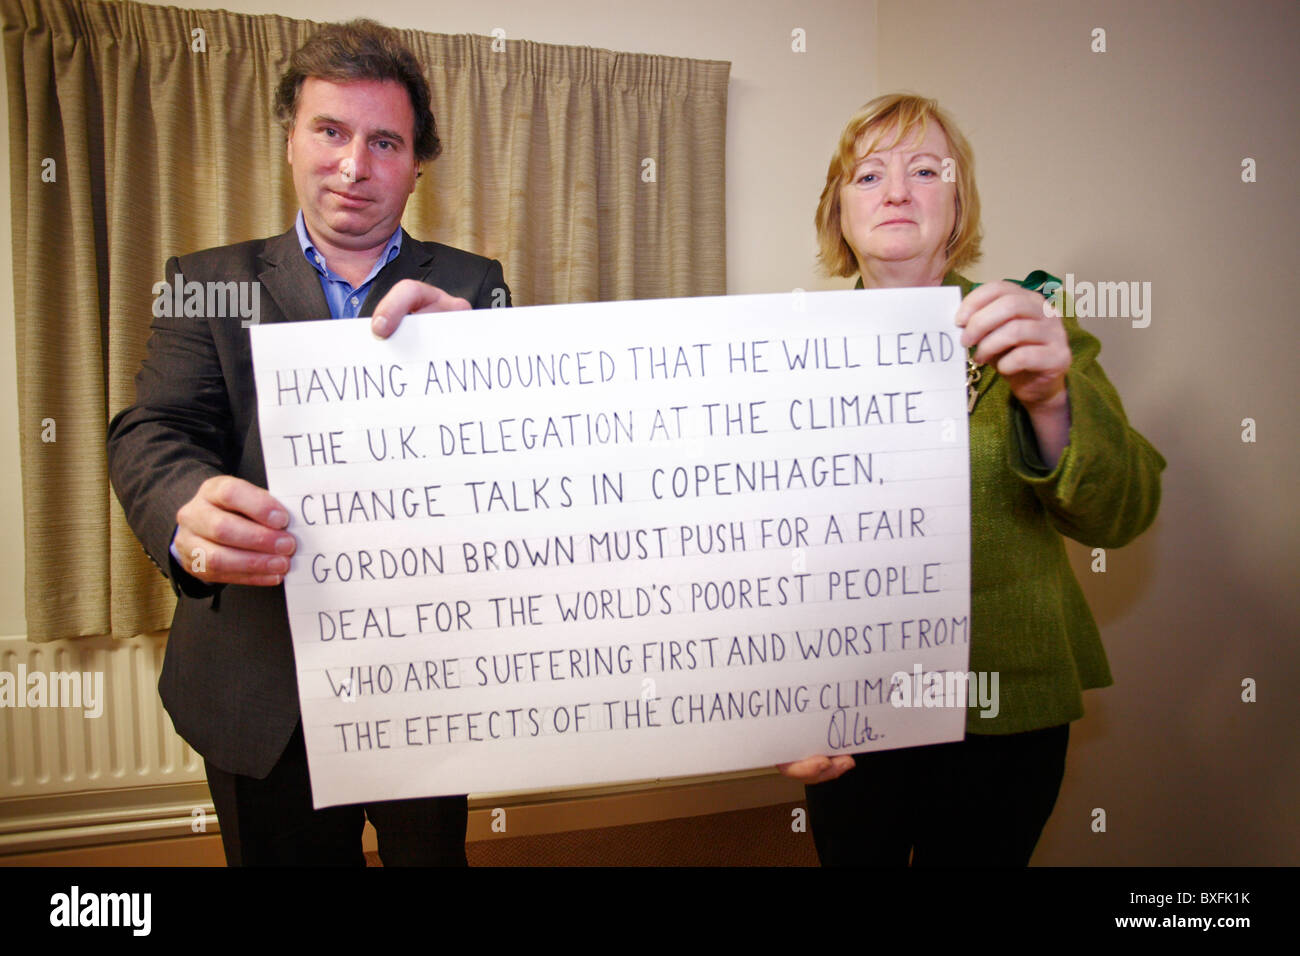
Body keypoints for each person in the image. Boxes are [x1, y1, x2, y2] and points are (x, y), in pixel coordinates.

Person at [107, 19, 509, 866]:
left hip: (423, 678)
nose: (354, 166)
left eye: (385, 142)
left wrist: (487, 373)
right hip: (258, 684)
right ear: (290, 138)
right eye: (330, 131)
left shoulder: (473, 286)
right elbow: (156, 428)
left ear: (417, 163)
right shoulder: (205, 283)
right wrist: (187, 510)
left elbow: (513, 470)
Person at [777, 93, 1165, 866]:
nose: (896, 191)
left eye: (926, 170)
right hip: (852, 703)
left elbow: (1123, 513)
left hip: (1006, 710)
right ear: (839, 213)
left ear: (957, 206)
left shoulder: (1037, 329)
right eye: (868, 176)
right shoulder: (787, 350)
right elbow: (759, 551)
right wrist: (781, 703)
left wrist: (1051, 397)